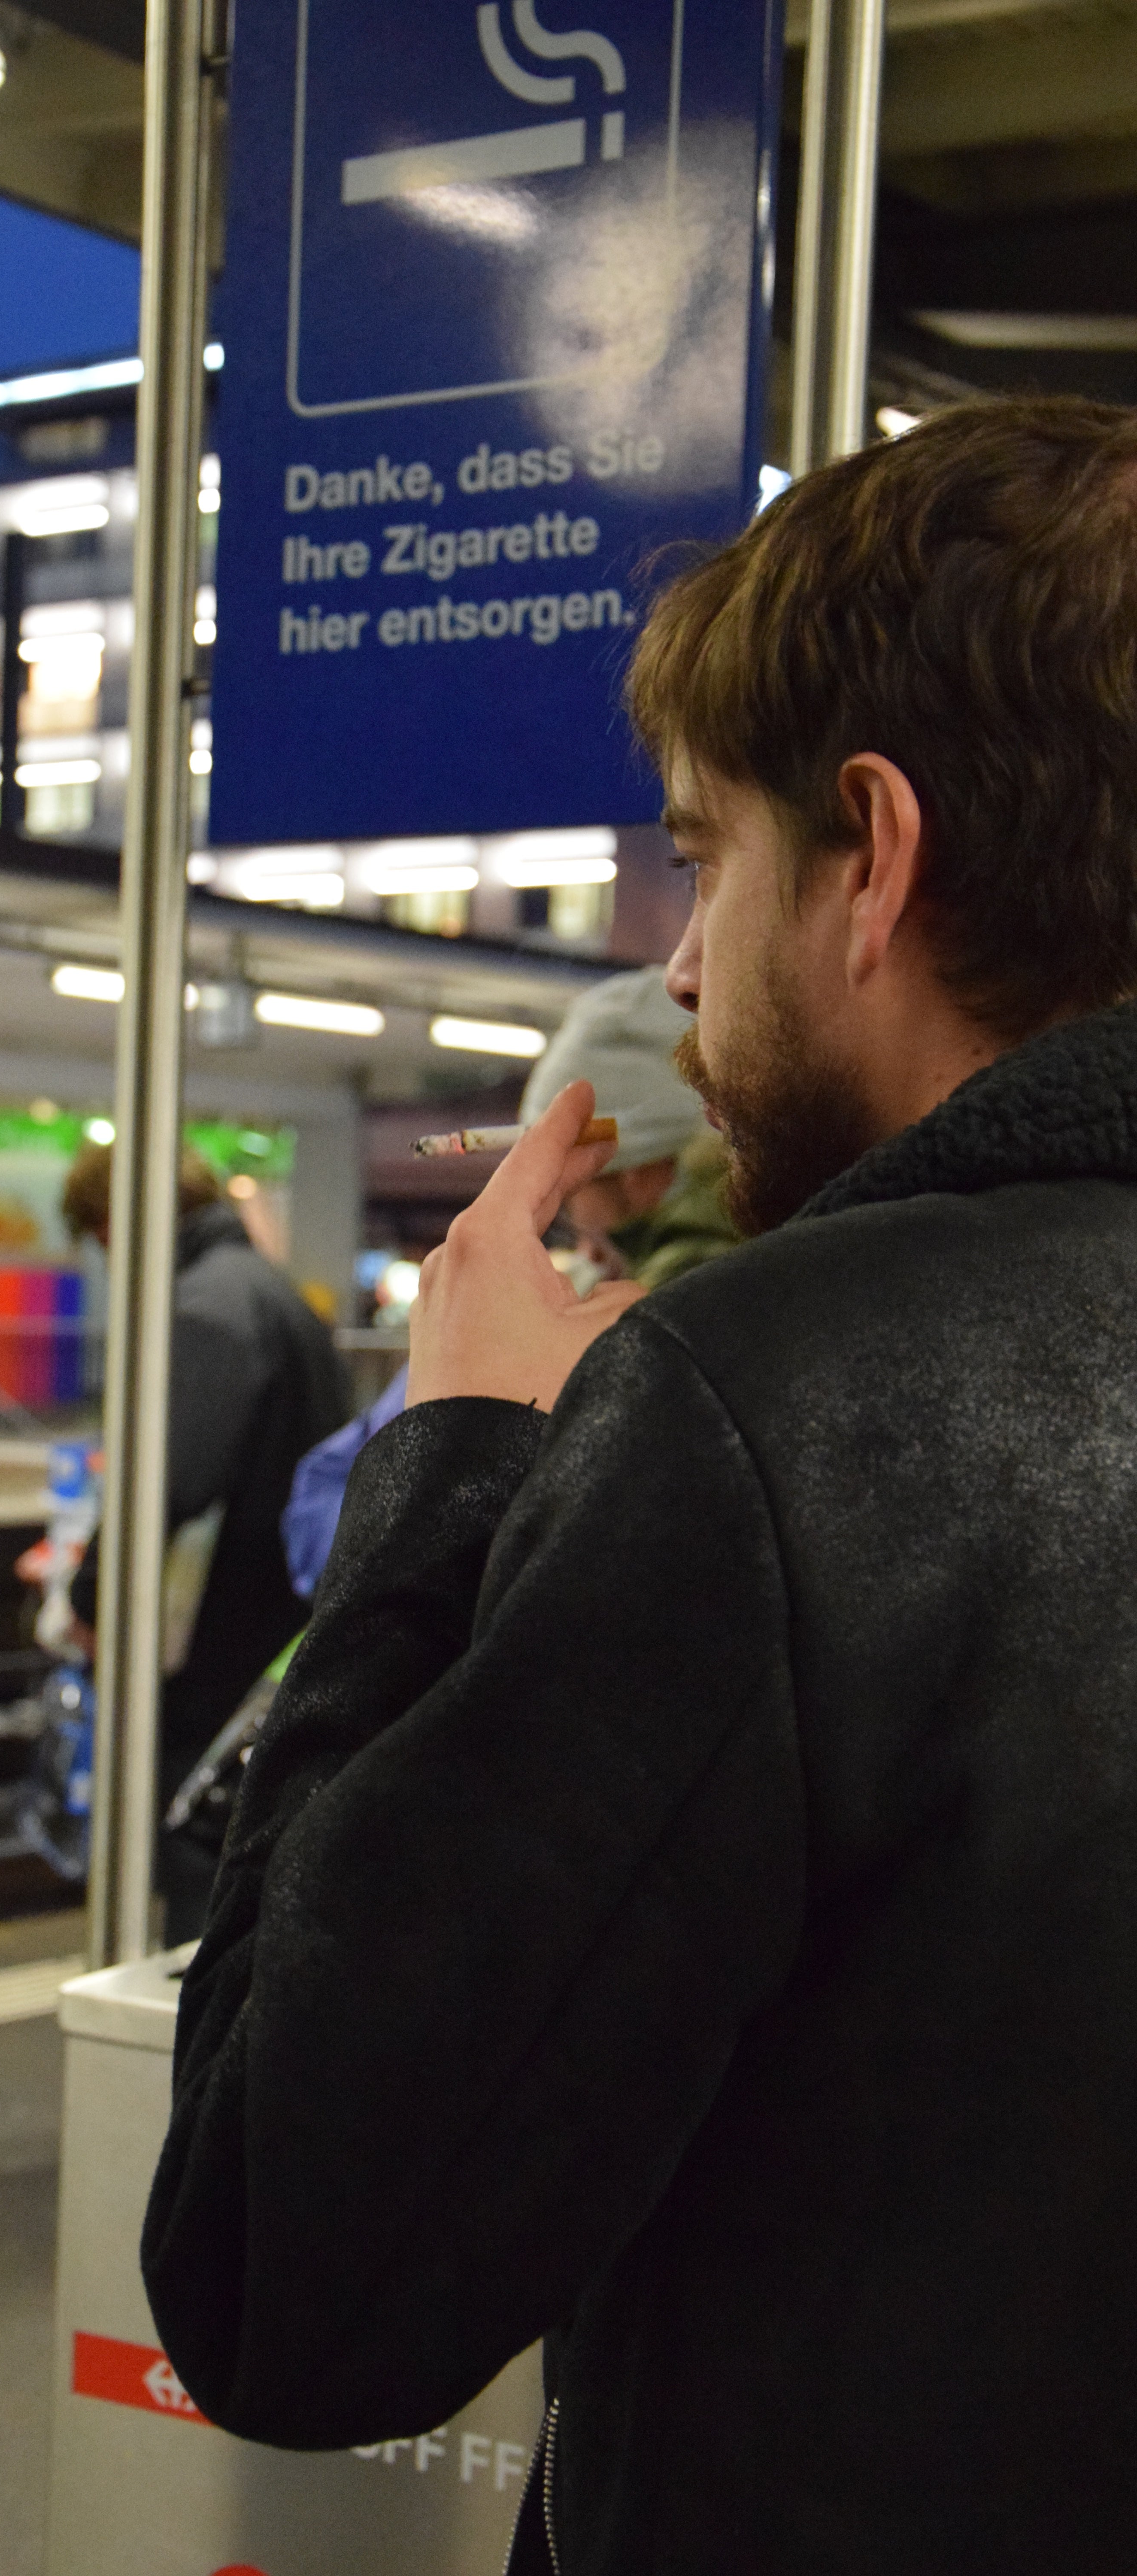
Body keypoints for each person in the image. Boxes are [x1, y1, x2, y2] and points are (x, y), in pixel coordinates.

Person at [142, 397, 1137, 2572]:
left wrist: (455, 1466)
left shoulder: (775, 1406)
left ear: (869, 857)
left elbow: (282, 2270)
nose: (678, 969)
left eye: (705, 855)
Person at [281, 966, 737, 1598]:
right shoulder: (556, 1311)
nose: (577, 1236)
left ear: (642, 1172)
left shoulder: (638, 1326)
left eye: (577, 1190)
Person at [62, 1139, 349, 1940]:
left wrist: (90, 1595)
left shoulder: (207, 1307)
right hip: (277, 1618)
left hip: (224, 1636)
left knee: (199, 1855)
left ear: (117, 1221)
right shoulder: (268, 1292)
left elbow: (169, 1479)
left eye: (99, 1237)